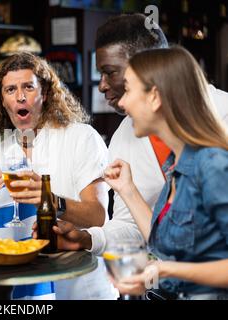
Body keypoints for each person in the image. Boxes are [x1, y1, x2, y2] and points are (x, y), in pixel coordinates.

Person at [47, 46, 228, 300]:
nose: (121, 102)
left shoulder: (213, 165)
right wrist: (128, 191)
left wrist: (163, 270)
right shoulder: (176, 166)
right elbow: (160, 243)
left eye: (129, 90)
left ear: (154, 97)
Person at [65, 13, 228, 257]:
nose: (102, 85)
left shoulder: (222, 119)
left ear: (151, 70)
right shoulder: (125, 136)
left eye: (111, 72)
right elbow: (140, 228)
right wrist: (89, 238)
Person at [0, 52, 118, 299]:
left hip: (81, 288)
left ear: (45, 93)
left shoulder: (81, 137)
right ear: (2, 100)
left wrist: (50, 200)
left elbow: (98, 217)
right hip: (26, 292)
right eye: (10, 90)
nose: (20, 96)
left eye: (28, 87)